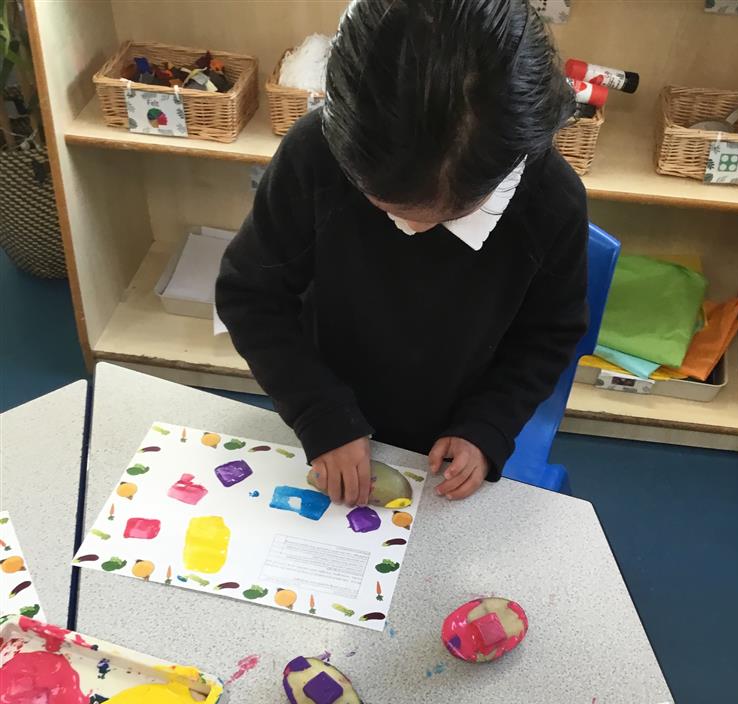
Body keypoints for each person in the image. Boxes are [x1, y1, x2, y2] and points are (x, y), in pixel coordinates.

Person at [216, 0, 587, 505]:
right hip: (321, 407)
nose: (415, 228)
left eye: (454, 214)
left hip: (454, 428)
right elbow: (250, 296)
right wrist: (318, 411)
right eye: (388, 206)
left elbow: (548, 334)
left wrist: (488, 426)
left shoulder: (552, 200)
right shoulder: (313, 155)